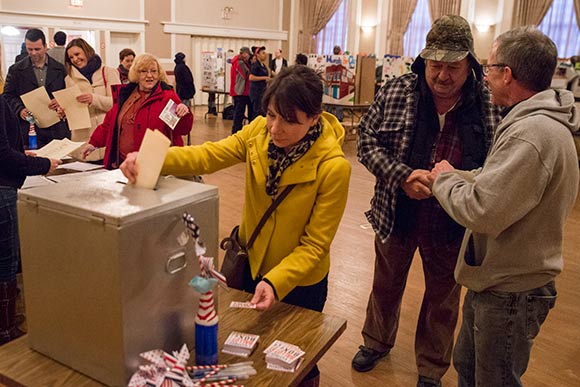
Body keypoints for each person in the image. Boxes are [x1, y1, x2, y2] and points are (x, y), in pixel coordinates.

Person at [120, 65, 351, 386]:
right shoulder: (257, 132)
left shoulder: (333, 167)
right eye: (271, 115)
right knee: (250, 354)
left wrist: (275, 281)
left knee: (298, 363)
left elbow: (315, 245)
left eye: (289, 120)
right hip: (251, 264)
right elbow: (208, 155)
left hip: (300, 283)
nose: (276, 128)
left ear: (314, 117)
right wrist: (150, 160)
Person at [352, 15, 500, 387]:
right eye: (436, 65)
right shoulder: (397, 90)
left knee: (443, 302)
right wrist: (402, 175)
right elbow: (366, 142)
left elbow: (501, 164)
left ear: (471, 65)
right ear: (423, 61)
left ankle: (432, 368)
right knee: (384, 286)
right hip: (396, 214)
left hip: (454, 224)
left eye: (453, 66)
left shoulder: (489, 102)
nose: (443, 75)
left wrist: (458, 184)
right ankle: (376, 341)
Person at [428, 26, 579, 387]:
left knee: (494, 379)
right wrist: (460, 176)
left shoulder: (532, 134)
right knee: (470, 367)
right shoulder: (532, 123)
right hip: (499, 281)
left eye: (490, 67)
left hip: (512, 289)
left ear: (507, 74)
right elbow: (496, 179)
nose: (487, 76)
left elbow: (483, 210)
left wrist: (443, 179)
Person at [0, 94, 61, 345]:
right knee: (6, 260)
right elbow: (2, 156)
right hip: (3, 188)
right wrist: (43, 165)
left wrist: (19, 152)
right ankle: (6, 328)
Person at [81, 53, 193, 169]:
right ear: (136, 74)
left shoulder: (167, 97)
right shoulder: (125, 96)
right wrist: (93, 143)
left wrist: (183, 113)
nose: (149, 76)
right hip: (123, 165)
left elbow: (182, 129)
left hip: (155, 167)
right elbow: (109, 125)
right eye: (143, 71)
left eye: (153, 71)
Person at [3, 28, 70, 148]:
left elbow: (67, 93)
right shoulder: (16, 70)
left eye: (37, 49)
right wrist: (20, 110)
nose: (33, 53)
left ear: (45, 46)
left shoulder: (60, 69)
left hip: (56, 128)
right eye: (30, 49)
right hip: (29, 128)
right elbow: (8, 96)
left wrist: (60, 100)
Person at [64, 38, 121, 148]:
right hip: (81, 138)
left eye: (77, 54)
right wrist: (64, 110)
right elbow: (72, 108)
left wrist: (93, 99)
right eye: (71, 57)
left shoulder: (108, 72)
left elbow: (118, 103)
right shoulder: (69, 78)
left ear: (87, 51)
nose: (75, 59)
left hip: (106, 136)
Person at [230, 46, 252, 133]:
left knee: (239, 113)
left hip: (240, 91)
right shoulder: (240, 63)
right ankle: (236, 132)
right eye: (247, 54)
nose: (248, 56)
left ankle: (237, 131)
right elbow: (246, 74)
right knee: (239, 114)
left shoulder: (238, 62)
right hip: (240, 91)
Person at [249, 46, 270, 120]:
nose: (265, 55)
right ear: (257, 54)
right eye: (263, 53)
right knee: (257, 112)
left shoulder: (263, 65)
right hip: (256, 93)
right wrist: (264, 78)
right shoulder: (255, 65)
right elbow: (251, 77)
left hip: (262, 92)